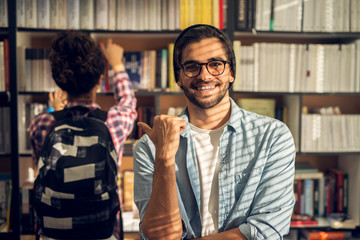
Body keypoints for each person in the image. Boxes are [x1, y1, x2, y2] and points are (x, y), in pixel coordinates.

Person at [133, 24, 296, 240]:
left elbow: (266, 230)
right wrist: (164, 157)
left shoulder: (273, 137)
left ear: (231, 73)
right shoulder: (150, 146)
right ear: (179, 79)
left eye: (215, 64)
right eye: (192, 67)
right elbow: (158, 236)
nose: (205, 75)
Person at [29, 31, 138, 239]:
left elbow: (39, 168)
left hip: (53, 233)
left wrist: (56, 111)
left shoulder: (42, 123)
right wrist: (117, 64)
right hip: (102, 233)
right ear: (99, 80)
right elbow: (128, 102)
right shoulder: (114, 122)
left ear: (59, 82)